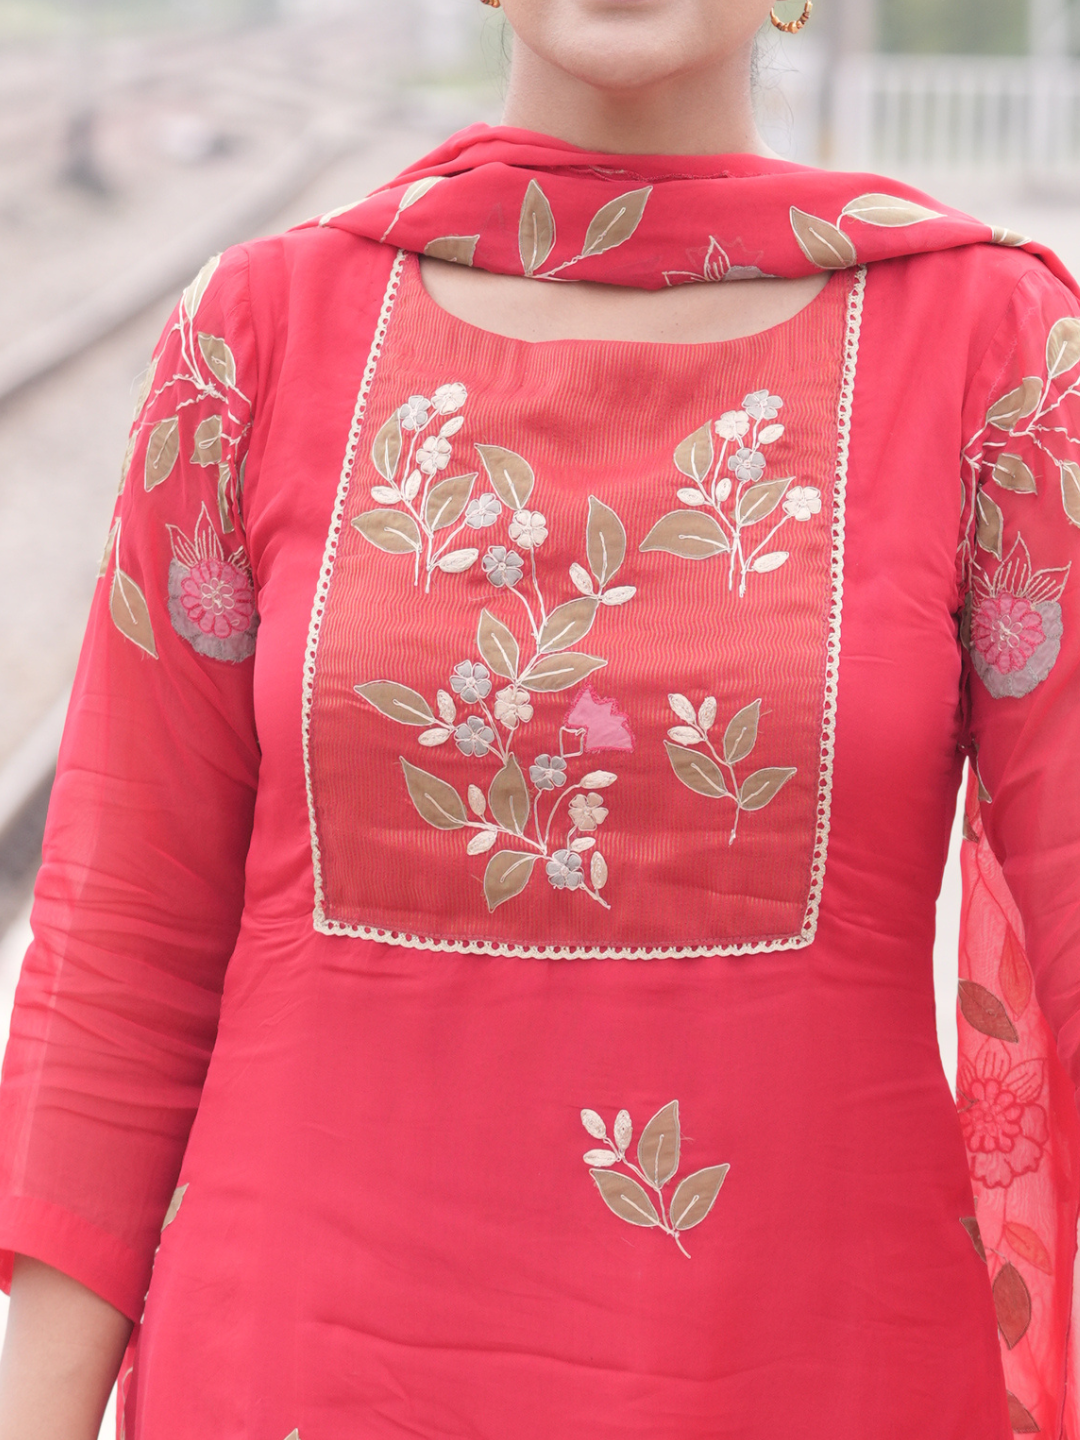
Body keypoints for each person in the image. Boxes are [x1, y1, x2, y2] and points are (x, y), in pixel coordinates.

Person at [1, 0, 1079, 1435]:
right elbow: (119, 956)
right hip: (301, 1371)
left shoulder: (996, 354)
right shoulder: (257, 338)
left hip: (817, 1368)